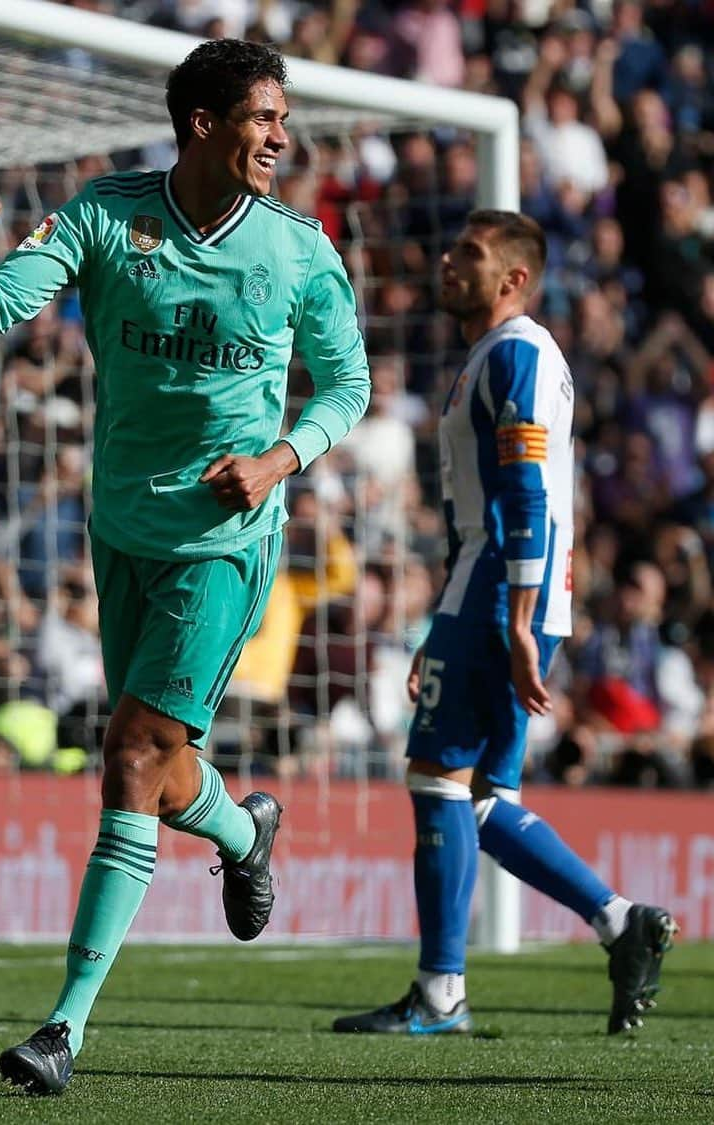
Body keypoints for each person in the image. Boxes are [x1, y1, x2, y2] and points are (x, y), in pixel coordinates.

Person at [0, 39, 370, 1094]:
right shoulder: (103, 215)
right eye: (264, 117)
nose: (280, 136)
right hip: (122, 532)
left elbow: (346, 385)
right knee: (164, 770)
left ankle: (62, 1028)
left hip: (224, 548)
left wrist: (277, 459)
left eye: (282, 118)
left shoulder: (297, 249)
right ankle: (240, 824)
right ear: (203, 124)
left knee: (128, 757)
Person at [332, 211, 677, 1038]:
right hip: (494, 590)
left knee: (437, 777)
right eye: (450, 248)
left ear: (514, 278)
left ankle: (441, 992)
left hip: (502, 591)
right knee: (485, 797)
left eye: (471, 255)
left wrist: (514, 618)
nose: (449, 261)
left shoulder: (516, 353)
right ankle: (618, 920)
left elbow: (526, 496)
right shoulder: (506, 355)